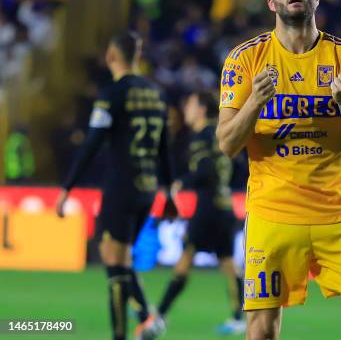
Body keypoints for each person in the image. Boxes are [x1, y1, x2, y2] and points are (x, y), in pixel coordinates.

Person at [216, 0, 341, 339]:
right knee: (262, 330)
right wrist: (254, 102)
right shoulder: (244, 60)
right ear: (271, 2)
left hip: (339, 214)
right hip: (273, 215)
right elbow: (227, 143)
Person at [55, 31, 173, 340]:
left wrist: (68, 187)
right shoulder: (156, 94)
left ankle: (122, 334)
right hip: (148, 187)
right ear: (138, 56)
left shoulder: (112, 94)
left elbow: (92, 143)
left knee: (114, 261)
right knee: (118, 256)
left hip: (122, 185)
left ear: (111, 56)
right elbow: (164, 148)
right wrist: (170, 190)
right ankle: (146, 317)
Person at [152, 91, 245, 334]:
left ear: (202, 108)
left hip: (208, 209)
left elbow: (204, 170)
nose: (186, 109)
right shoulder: (220, 131)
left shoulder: (202, 136)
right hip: (223, 205)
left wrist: (181, 182)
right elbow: (233, 165)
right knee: (227, 264)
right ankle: (239, 317)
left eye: (191, 104)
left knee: (186, 259)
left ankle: (160, 312)